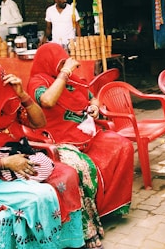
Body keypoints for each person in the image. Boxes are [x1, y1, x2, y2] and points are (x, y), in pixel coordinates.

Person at [0, 65, 85, 248]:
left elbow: (40, 122)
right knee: (41, 195)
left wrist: (23, 95)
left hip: (16, 169)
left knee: (69, 174)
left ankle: (68, 241)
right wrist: (4, 163)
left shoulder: (7, 108)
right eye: (1, 86)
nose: (7, 91)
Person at [27, 43, 135, 248]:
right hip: (55, 140)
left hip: (84, 132)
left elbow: (91, 96)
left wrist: (94, 106)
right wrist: (65, 73)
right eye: (58, 64)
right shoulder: (37, 81)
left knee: (123, 145)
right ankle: (86, 229)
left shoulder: (73, 79)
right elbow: (47, 101)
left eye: (64, 62)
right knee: (80, 169)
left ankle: (108, 209)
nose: (63, 67)